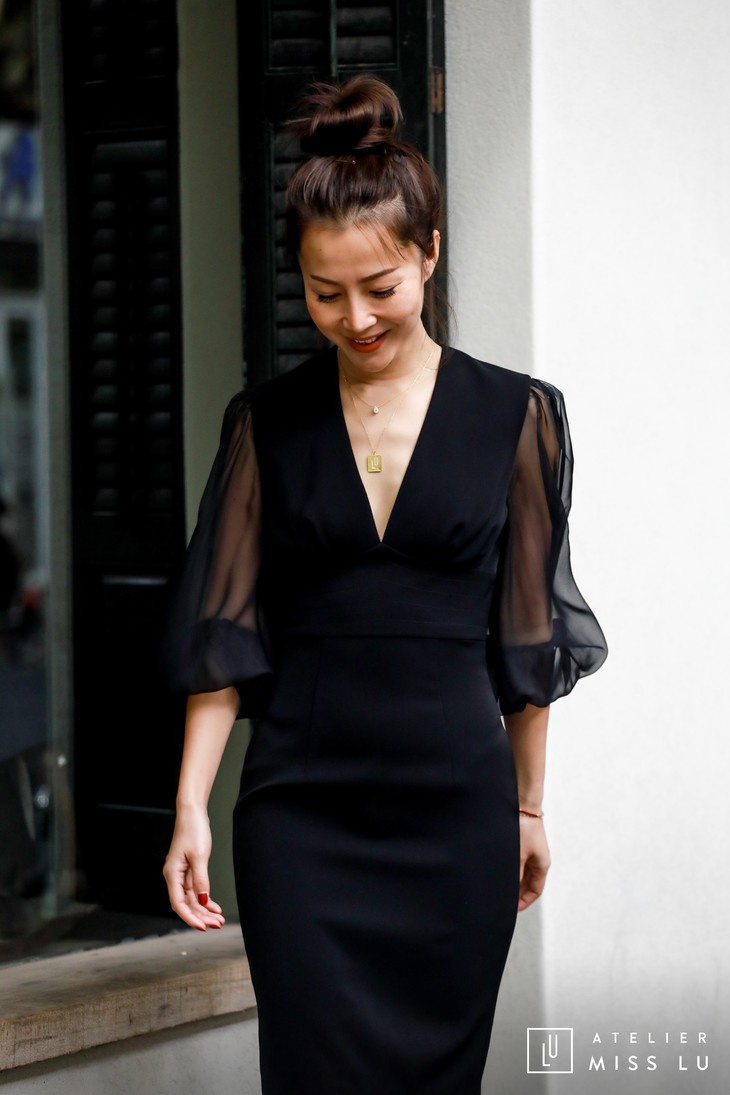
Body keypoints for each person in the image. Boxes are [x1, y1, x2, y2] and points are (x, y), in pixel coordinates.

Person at [162, 75, 607, 1094]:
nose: (355, 318)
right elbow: (223, 632)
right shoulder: (267, 423)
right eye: (325, 295)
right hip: (299, 818)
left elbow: (527, 636)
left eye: (380, 287)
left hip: (456, 816)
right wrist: (190, 806)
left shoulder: (516, 416)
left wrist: (528, 810)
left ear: (429, 254)